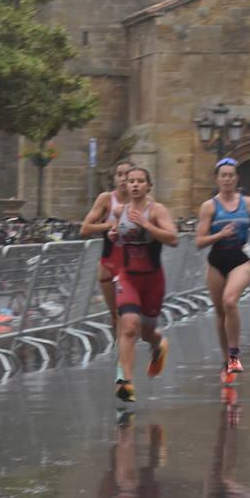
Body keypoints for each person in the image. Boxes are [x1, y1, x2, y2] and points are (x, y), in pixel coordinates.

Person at [195, 158, 250, 384]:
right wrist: (219, 235)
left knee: (230, 301)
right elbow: (199, 241)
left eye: (231, 175)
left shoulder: (249, 203)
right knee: (220, 312)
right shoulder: (209, 206)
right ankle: (226, 362)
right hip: (216, 260)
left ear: (237, 178)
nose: (227, 179)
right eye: (223, 175)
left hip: (241, 258)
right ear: (216, 179)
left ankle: (234, 354)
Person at [110, 166, 178, 403]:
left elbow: (173, 239)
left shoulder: (157, 210)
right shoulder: (121, 211)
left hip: (152, 280)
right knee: (129, 326)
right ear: (126, 186)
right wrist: (113, 235)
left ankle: (158, 344)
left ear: (149, 185)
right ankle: (124, 382)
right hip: (127, 277)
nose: (135, 185)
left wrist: (148, 226)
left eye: (140, 181)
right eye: (131, 181)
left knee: (147, 332)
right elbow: (117, 232)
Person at [80, 159, 135, 357]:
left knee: (127, 313)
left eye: (127, 174)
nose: (123, 178)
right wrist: (108, 226)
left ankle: (124, 353)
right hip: (108, 264)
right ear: (114, 178)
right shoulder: (106, 199)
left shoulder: (142, 201)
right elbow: (85, 228)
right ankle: (122, 352)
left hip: (132, 265)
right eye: (119, 174)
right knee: (116, 314)